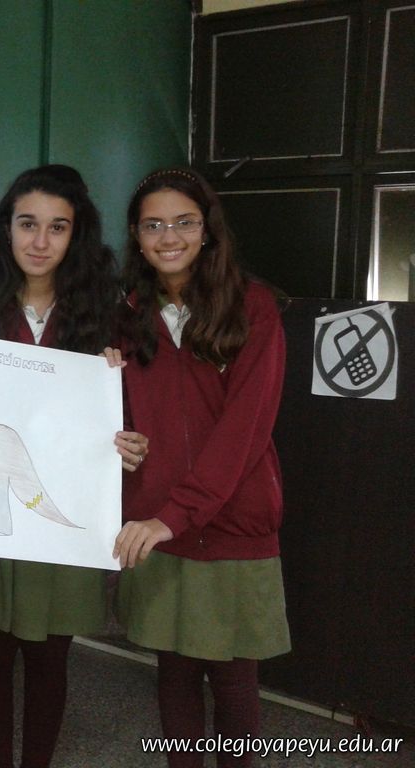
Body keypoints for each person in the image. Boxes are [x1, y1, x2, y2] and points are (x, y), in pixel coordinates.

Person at [0, 164, 148, 768]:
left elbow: (129, 423)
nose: (40, 241)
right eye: (27, 224)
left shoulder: (108, 316)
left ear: (75, 235)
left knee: (49, 658)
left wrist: (129, 442)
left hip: (62, 518)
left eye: (57, 227)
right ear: (6, 229)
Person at [112, 168, 290, 768]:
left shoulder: (253, 306)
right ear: (136, 236)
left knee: (234, 679)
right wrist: (122, 439)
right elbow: (124, 415)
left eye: (184, 222)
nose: (169, 237)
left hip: (231, 521)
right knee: (175, 672)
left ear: (207, 229)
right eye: (153, 225)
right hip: (156, 524)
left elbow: (245, 429)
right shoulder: (127, 315)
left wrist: (175, 514)